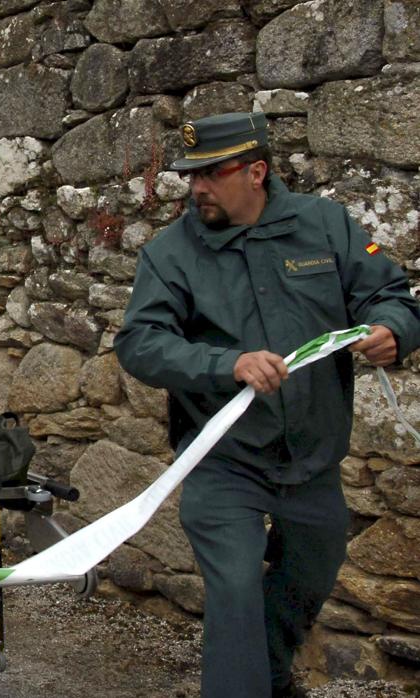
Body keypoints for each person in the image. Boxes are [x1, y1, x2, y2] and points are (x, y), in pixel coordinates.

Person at [114, 112, 420, 698]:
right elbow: (140, 344)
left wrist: (391, 330)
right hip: (222, 459)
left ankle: (272, 678)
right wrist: (224, 364)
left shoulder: (327, 225)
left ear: (256, 171)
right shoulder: (169, 253)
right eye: (190, 176)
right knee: (233, 592)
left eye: (211, 173)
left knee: (310, 577)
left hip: (312, 459)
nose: (197, 187)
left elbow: (388, 291)